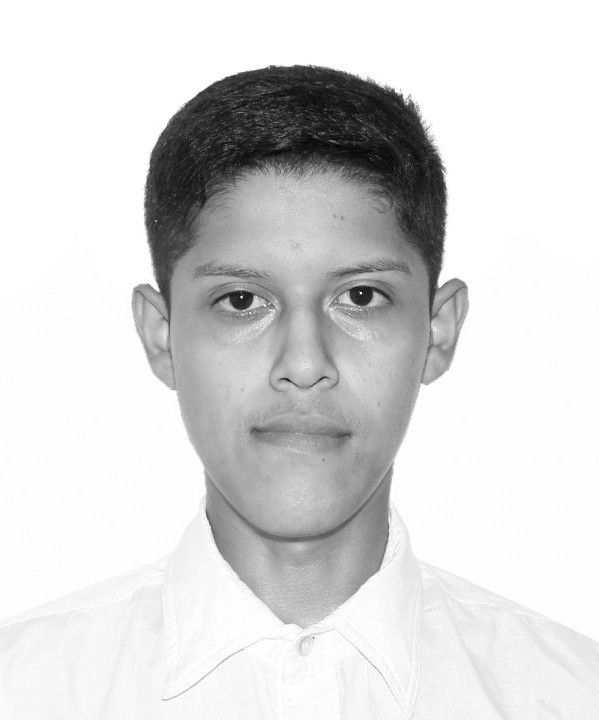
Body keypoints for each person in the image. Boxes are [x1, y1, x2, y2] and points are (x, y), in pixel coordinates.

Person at [0, 64, 597, 719]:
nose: (305, 363)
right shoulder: (25, 691)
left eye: (361, 297)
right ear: (161, 336)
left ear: (438, 331)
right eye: (241, 300)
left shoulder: (569, 696)